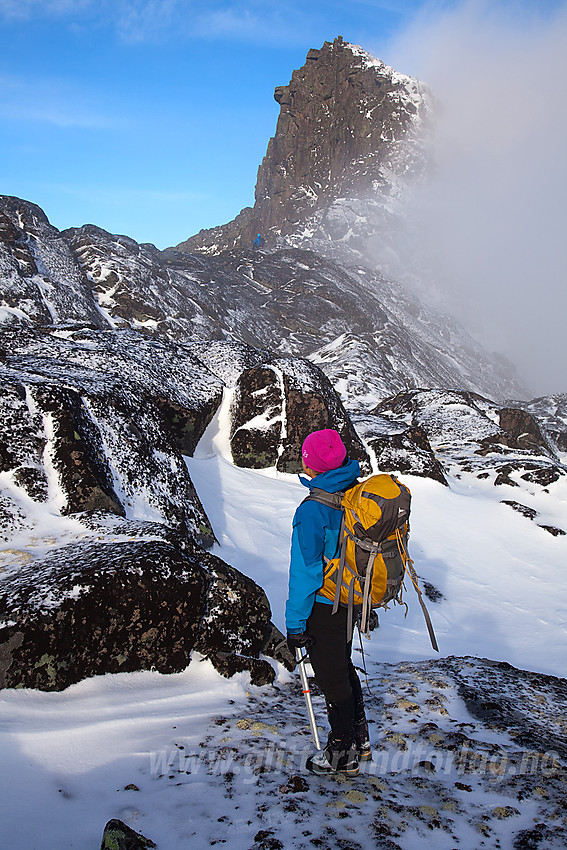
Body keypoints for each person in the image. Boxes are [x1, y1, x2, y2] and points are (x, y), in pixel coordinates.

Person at [285, 429, 370, 776]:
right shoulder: (354, 492)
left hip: (325, 606)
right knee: (343, 667)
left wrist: (294, 623)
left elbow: (306, 572)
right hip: (351, 600)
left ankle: (341, 752)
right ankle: (359, 740)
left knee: (332, 676)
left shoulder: (312, 510)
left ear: (312, 464)